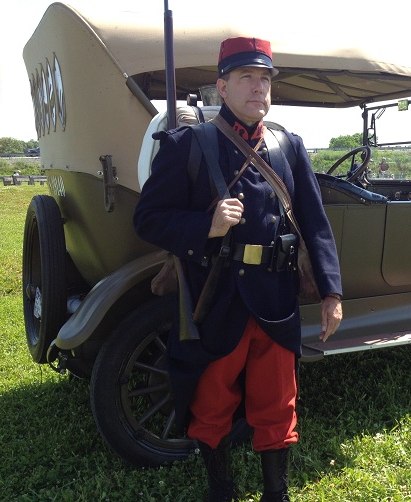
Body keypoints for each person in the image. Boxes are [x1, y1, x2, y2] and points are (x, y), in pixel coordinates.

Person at [133, 37, 343, 501]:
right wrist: (203, 225)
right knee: (211, 403)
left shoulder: (288, 146)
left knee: (278, 405)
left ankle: (276, 493)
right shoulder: (188, 143)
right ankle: (220, 489)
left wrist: (332, 292)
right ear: (221, 88)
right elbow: (147, 219)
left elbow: (315, 222)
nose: (258, 88)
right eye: (247, 78)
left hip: (276, 297)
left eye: (265, 78)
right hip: (216, 295)